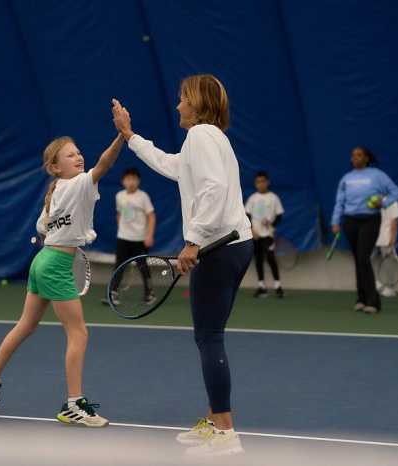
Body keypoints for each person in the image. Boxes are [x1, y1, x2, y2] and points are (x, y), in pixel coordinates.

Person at [112, 73, 253, 457]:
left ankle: (225, 432)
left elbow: (213, 190)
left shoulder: (201, 136)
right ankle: (215, 421)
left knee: (209, 338)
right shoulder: (209, 140)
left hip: (218, 246)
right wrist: (130, 136)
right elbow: (174, 167)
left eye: (182, 99)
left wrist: (193, 241)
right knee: (211, 336)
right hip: (234, 244)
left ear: (196, 103)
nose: (177, 106)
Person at [0, 133, 125, 427]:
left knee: (26, 325)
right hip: (56, 264)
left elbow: (42, 228)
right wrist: (122, 136)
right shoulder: (79, 183)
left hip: (41, 260)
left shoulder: (55, 193)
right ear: (55, 168)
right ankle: (74, 405)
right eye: (70, 155)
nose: (78, 157)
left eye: (79, 152)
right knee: (78, 333)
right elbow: (105, 164)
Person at [331, 146, 398, 314]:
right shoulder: (346, 178)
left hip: (370, 220)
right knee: (358, 260)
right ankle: (361, 298)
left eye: (359, 155)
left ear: (367, 158)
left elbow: (396, 192)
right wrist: (335, 222)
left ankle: (373, 301)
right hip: (350, 221)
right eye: (353, 155)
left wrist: (383, 203)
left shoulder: (377, 175)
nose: (355, 158)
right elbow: (339, 202)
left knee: (363, 258)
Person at [101, 167, 156, 305]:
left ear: (138, 181)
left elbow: (151, 216)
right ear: (123, 181)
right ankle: (113, 294)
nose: (131, 182)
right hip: (123, 238)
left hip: (139, 239)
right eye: (128, 179)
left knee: (143, 267)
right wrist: (122, 229)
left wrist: (149, 235)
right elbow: (119, 213)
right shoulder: (119, 196)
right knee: (119, 266)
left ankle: (149, 294)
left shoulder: (143, 196)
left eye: (134, 179)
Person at [245, 171, 285, 298]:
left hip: (268, 235)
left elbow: (279, 215)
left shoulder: (274, 198)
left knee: (270, 258)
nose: (260, 184)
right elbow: (246, 216)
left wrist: (271, 224)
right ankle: (261, 287)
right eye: (258, 182)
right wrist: (251, 229)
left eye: (263, 181)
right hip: (256, 235)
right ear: (255, 184)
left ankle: (278, 286)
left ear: (267, 182)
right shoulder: (252, 198)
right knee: (258, 260)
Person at [374, 200, 398, 297]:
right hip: (375, 237)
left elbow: (395, 221)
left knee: (389, 265)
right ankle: (378, 286)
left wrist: (392, 238)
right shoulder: (376, 200)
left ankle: (389, 289)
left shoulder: (392, 202)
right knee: (366, 262)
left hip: (386, 239)